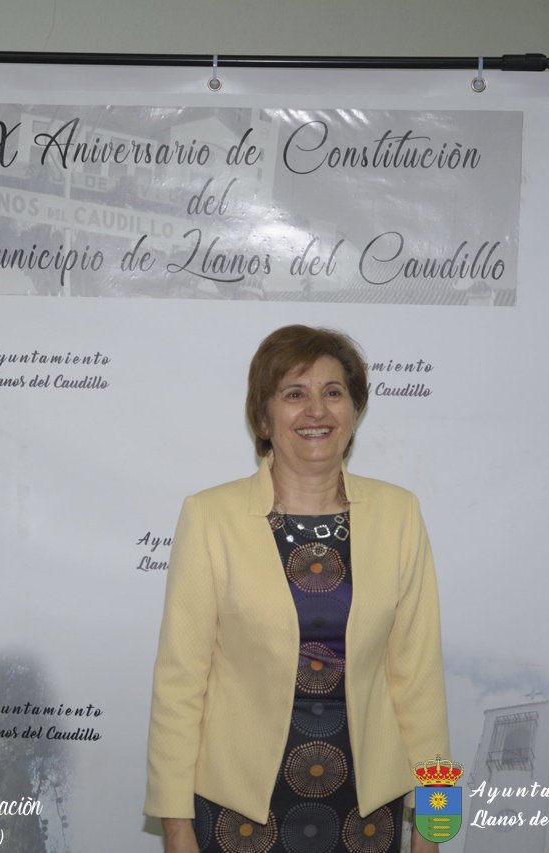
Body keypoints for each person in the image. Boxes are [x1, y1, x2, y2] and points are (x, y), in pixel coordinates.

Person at [145, 325, 449, 853]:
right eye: (294, 394)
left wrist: (437, 823)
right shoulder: (210, 516)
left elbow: (421, 685)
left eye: (333, 392)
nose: (316, 410)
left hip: (366, 814)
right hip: (237, 811)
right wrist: (175, 827)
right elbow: (179, 684)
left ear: (354, 411)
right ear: (263, 419)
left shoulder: (400, 513)